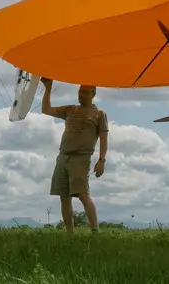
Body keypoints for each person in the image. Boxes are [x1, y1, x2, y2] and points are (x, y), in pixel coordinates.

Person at [40, 77, 108, 233]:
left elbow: (104, 139)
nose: (81, 95)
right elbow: (46, 109)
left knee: (83, 194)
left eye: (85, 92)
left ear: (93, 94)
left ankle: (95, 231)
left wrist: (101, 160)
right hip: (63, 156)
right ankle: (69, 234)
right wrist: (48, 89)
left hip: (81, 158)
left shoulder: (99, 114)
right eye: (80, 91)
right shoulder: (70, 110)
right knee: (64, 196)